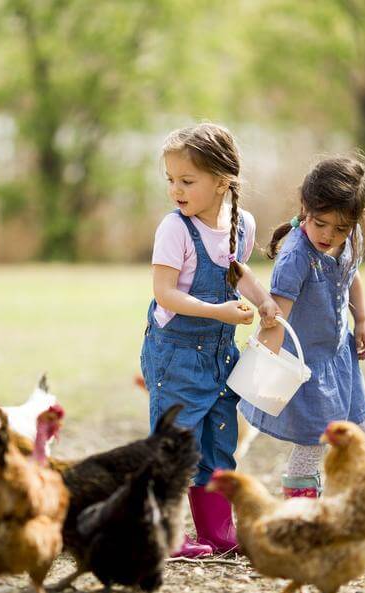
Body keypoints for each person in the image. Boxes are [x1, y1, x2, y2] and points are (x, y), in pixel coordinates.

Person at [140, 123, 279, 557]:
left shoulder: (242, 224)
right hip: (175, 354)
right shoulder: (175, 230)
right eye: (170, 180)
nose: (175, 190)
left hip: (220, 354)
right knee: (176, 446)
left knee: (219, 441)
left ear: (222, 181)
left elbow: (236, 270)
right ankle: (168, 533)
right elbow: (165, 294)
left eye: (187, 180)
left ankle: (217, 532)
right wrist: (220, 311)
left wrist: (263, 300)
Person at [241, 152, 365, 499]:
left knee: (363, 434)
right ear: (306, 207)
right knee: (312, 445)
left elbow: (351, 276)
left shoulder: (348, 240)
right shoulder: (296, 257)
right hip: (308, 369)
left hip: (340, 360)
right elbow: (278, 318)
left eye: (341, 228)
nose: (330, 235)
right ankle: (301, 514)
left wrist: (360, 319)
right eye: (321, 224)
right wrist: (259, 367)